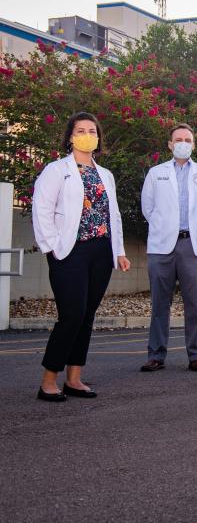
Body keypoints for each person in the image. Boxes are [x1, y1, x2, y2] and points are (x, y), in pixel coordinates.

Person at [32, 112, 131, 401]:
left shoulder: (105, 175)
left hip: (101, 251)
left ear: (98, 137)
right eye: (81, 129)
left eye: (92, 130)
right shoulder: (56, 170)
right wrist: (51, 247)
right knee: (71, 314)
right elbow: (42, 210)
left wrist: (120, 251)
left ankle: (74, 379)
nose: (87, 133)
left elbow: (113, 216)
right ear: (71, 136)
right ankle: (48, 381)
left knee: (87, 316)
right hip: (69, 251)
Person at [140, 123, 197, 373]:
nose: (183, 143)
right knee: (159, 303)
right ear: (170, 144)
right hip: (162, 246)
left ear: (194, 145)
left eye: (188, 139)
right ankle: (156, 355)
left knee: (194, 303)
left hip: (192, 245)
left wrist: (196, 227)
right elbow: (148, 208)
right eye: (178, 139)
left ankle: (196, 355)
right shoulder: (156, 173)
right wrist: (164, 227)